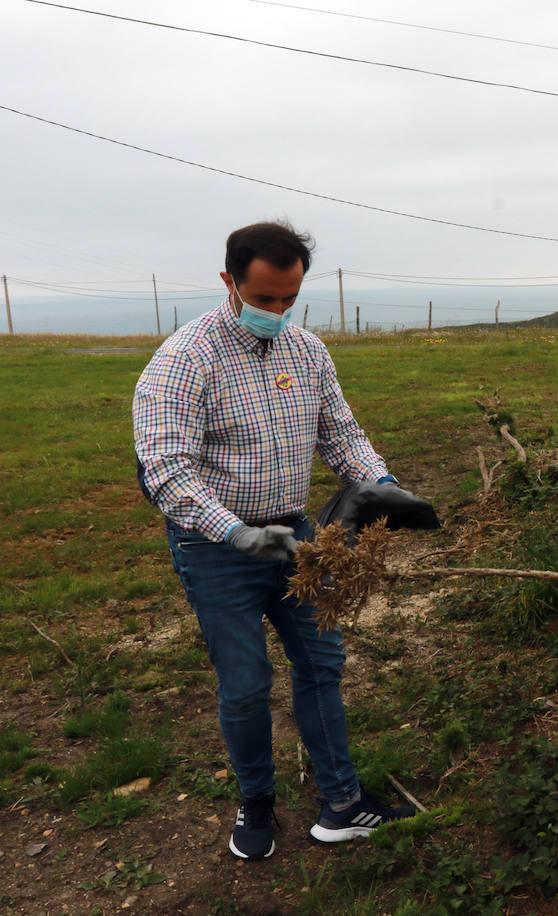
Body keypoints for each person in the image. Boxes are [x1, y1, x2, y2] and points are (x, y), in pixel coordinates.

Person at [132, 221, 423, 860]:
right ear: (229, 282)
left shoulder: (307, 352)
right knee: (245, 681)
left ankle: (342, 803)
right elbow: (163, 468)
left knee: (321, 665)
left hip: (297, 537)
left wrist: (384, 484)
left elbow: (340, 434)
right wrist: (235, 533)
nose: (278, 312)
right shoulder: (185, 360)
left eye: (290, 298)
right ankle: (256, 801)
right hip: (214, 547)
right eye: (264, 299)